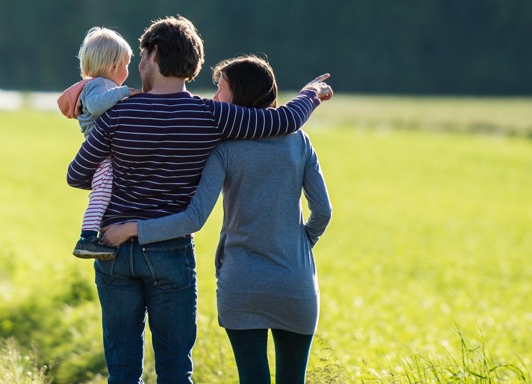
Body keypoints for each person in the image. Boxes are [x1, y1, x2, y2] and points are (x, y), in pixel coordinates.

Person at [65, 15, 332, 383]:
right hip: (170, 251)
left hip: (113, 248)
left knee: (123, 370)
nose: (137, 67)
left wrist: (113, 177)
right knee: (175, 370)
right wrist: (310, 95)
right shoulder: (211, 116)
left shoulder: (117, 113)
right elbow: (281, 122)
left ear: (155, 54)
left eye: (141, 57)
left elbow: (75, 174)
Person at [58, 27, 140, 260]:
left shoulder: (102, 86)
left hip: (105, 150)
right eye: (126, 64)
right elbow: (95, 106)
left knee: (107, 189)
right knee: (102, 190)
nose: (127, 70)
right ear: (114, 65)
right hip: (101, 154)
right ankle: (87, 238)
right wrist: (124, 93)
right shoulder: (98, 86)